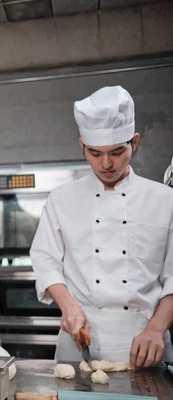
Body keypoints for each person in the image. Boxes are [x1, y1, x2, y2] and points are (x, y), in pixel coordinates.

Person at [30, 86, 173, 368]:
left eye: (117, 152)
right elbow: (44, 259)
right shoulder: (61, 199)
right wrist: (68, 306)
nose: (106, 164)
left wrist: (157, 328)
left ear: (135, 141)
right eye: (94, 153)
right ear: (82, 145)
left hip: (144, 344)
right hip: (78, 341)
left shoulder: (165, 200)